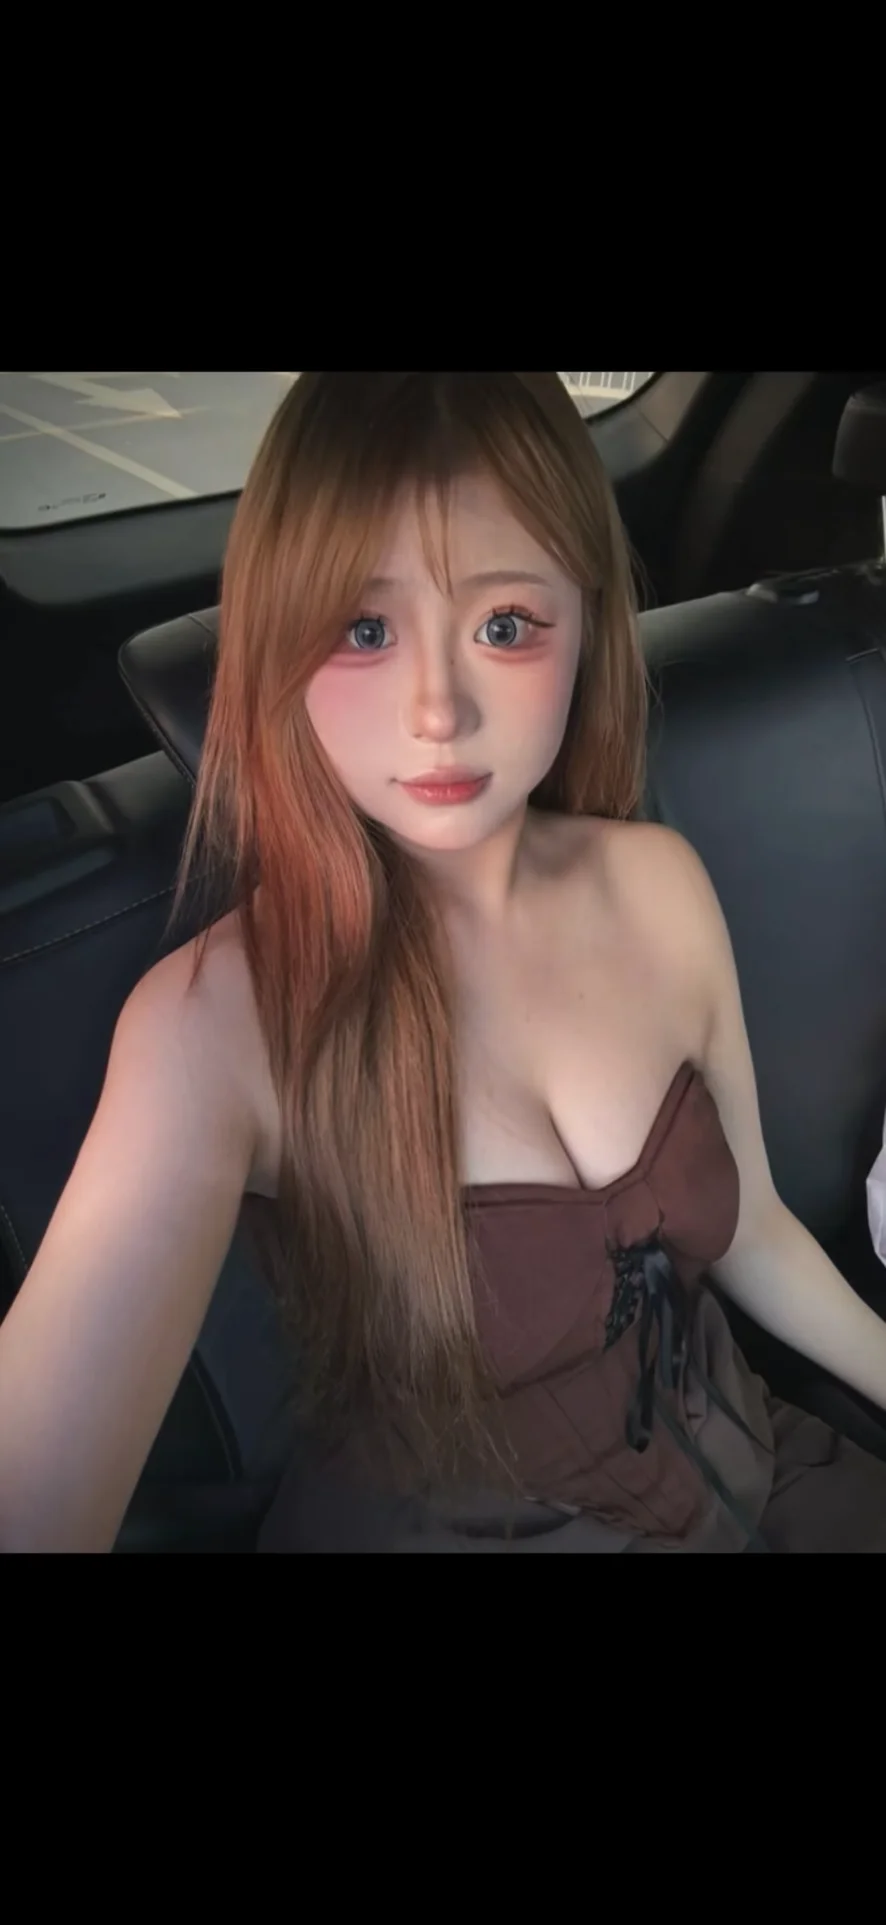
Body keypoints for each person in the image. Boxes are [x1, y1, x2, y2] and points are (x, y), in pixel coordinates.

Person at [3, 370, 886, 1554]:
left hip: (754, 1464)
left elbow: (753, 1230)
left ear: (583, 621)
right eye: (363, 629)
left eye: (504, 624)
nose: (437, 709)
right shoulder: (216, 1026)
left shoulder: (657, 884)